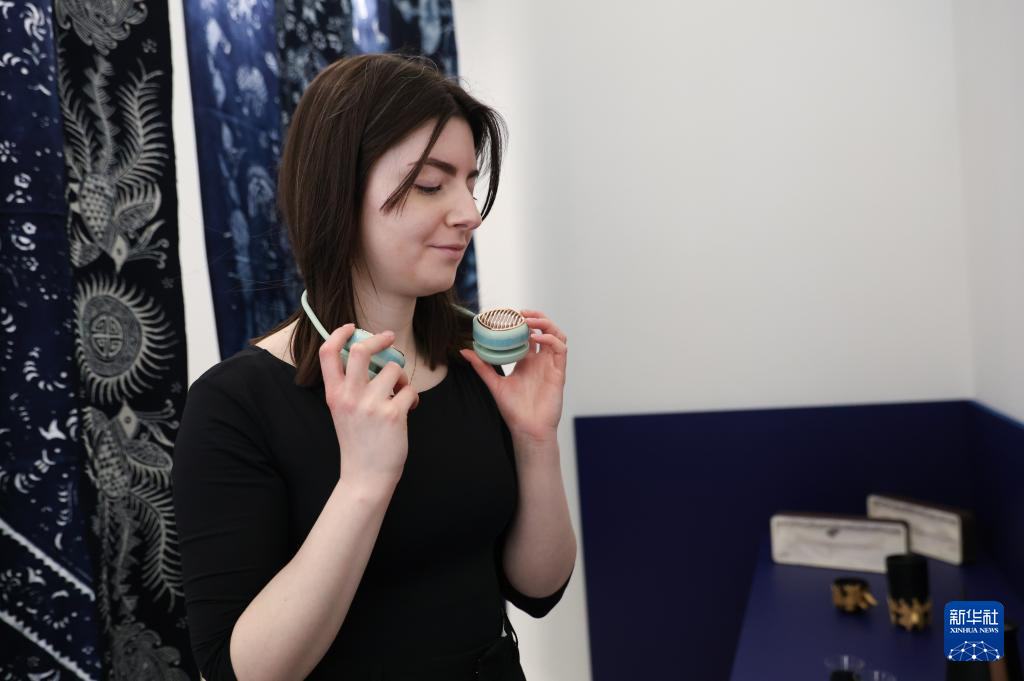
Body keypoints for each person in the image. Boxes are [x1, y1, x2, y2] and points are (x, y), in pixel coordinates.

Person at [171, 53, 576, 681]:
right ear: (339, 192)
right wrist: (364, 481)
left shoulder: (471, 361)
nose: (469, 213)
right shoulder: (236, 404)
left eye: (470, 183)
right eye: (432, 184)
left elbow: (539, 589)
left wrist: (535, 441)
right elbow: (240, 671)